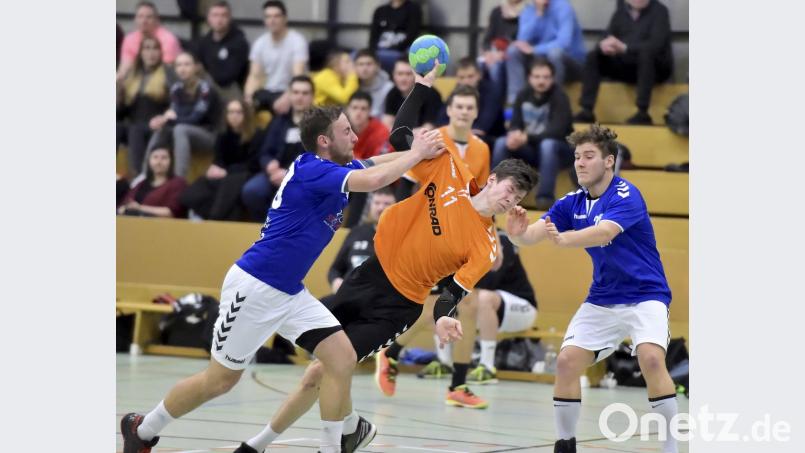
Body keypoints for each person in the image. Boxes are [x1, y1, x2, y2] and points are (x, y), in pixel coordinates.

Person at [230, 65, 539, 453]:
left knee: (321, 371)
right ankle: (349, 427)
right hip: (368, 275)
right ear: (492, 180)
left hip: (398, 306)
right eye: (509, 189)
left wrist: (443, 316)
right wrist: (422, 86)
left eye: (518, 198)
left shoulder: (487, 244)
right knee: (310, 362)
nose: (510, 200)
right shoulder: (452, 170)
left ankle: (259, 446)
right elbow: (399, 135)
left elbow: (454, 292)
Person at [120, 99, 447, 453]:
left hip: (289, 293)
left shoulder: (333, 167)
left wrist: (418, 154)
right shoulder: (313, 171)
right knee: (219, 381)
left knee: (342, 358)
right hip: (254, 287)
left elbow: (374, 163)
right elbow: (376, 178)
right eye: (346, 131)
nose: (354, 136)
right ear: (324, 141)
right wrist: (415, 155)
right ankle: (142, 428)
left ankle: (332, 446)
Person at [505, 124, 678, 453]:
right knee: (567, 361)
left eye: (588, 156)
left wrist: (566, 239)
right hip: (603, 298)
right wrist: (516, 234)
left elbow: (604, 233)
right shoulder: (572, 202)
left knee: (652, 359)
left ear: (609, 161)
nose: (580, 164)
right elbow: (533, 235)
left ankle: (671, 447)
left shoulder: (627, 194)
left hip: (646, 295)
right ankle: (565, 445)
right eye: (576, 157)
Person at [374, 84, 495, 408]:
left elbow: (480, 194)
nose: (464, 112)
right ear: (450, 110)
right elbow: (409, 167)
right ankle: (397, 355)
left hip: (460, 237)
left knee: (461, 305)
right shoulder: (434, 138)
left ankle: (449, 381)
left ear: (476, 112)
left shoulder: (481, 149)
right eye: (459, 107)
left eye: (470, 107)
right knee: (443, 305)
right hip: (427, 230)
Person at [573, 0, 673, 125]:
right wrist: (604, 46)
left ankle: (642, 112)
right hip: (628, 66)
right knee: (594, 56)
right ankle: (586, 110)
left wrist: (625, 47)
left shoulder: (660, 11)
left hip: (656, 68)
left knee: (646, 54)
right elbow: (607, 36)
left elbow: (656, 45)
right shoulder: (621, 12)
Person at [492, 58, 573, 210]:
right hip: (532, 149)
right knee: (502, 143)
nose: (541, 81)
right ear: (529, 78)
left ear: (552, 79)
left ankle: (544, 198)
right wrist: (514, 135)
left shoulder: (560, 97)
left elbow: (557, 131)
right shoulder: (523, 95)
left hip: (560, 151)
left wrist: (527, 138)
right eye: (537, 77)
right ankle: (494, 191)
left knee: (548, 145)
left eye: (546, 77)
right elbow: (515, 122)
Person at [466, 230, 538, 384]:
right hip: (490, 309)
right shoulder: (461, 242)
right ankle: (444, 362)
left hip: (522, 307)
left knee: (483, 297)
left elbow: (489, 282)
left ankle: (487, 366)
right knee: (442, 299)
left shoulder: (502, 241)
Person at [241, 75, 314, 221]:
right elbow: (265, 152)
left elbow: (316, 159)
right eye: (296, 92)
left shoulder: (318, 124)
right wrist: (269, 164)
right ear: (290, 95)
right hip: (274, 175)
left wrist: (289, 173)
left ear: (312, 97)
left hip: (302, 178)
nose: (300, 97)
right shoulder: (279, 121)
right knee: (252, 190)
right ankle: (265, 227)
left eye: (305, 93)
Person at [179, 99, 264, 220]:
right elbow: (218, 159)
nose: (234, 116)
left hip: (247, 174)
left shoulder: (257, 135)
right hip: (226, 174)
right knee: (198, 187)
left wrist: (227, 172)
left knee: (230, 184)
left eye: (238, 112)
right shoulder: (223, 135)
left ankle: (215, 218)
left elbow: (254, 164)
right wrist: (215, 168)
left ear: (246, 115)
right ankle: (205, 216)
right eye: (231, 112)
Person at [145, 52, 221, 179]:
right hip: (184, 130)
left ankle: (179, 179)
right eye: (179, 65)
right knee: (161, 129)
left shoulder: (205, 89)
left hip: (208, 134)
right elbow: (174, 115)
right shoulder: (176, 88)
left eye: (187, 64)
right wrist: (162, 120)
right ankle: (146, 175)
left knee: (180, 129)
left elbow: (194, 119)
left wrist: (171, 118)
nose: (182, 68)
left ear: (196, 67)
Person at [117, 36, 177, 177]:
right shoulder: (132, 75)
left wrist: (164, 117)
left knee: (135, 130)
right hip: (134, 123)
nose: (151, 53)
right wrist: (119, 92)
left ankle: (138, 176)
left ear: (161, 52)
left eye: (155, 48)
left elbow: (177, 102)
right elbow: (121, 112)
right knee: (117, 128)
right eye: (147, 48)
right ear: (141, 52)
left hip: (157, 125)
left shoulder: (168, 73)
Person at [505, 0, 586, 104]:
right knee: (513, 51)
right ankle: (515, 101)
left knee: (555, 53)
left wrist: (535, 49)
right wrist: (538, 15)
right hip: (540, 58)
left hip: (571, 61)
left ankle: (553, 102)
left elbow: (564, 43)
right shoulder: (528, 9)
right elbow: (522, 41)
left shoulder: (563, 7)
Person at [326, 187, 396, 298]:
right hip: (347, 296)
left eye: (386, 203)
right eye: (376, 203)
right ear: (370, 206)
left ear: (395, 207)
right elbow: (335, 269)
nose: (380, 208)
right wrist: (336, 281)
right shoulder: (356, 232)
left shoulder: (401, 237)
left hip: (379, 300)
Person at [244, 0, 308, 115]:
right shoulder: (260, 43)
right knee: (242, 110)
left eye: (276, 16)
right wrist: (248, 98)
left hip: (288, 92)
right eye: (268, 17)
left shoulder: (297, 41)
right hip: (267, 92)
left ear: (285, 18)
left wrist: (287, 97)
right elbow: (254, 76)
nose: (272, 20)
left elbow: (298, 77)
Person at [343, 91, 391, 227]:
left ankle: (351, 231)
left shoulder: (381, 132)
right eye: (354, 108)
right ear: (348, 109)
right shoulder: (340, 130)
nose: (358, 113)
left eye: (363, 109)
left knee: (363, 184)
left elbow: (378, 168)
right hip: (350, 174)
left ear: (370, 111)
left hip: (378, 180)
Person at [437, 56, 505, 147]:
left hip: (490, 137)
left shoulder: (492, 91)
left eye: (470, 76)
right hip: (460, 135)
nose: (466, 81)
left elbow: (483, 125)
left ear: (479, 75)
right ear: (456, 78)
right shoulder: (455, 92)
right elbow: (441, 120)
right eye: (461, 77)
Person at [194, 1, 251, 102]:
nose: (219, 20)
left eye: (223, 15)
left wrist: (206, 69)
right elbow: (196, 65)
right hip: (209, 88)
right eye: (215, 15)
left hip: (233, 91)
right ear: (208, 18)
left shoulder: (239, 42)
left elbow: (226, 77)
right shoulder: (204, 42)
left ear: (229, 18)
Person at [117, 1, 182, 82]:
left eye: (149, 17)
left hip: (165, 81)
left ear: (157, 20)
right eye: (140, 16)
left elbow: (166, 73)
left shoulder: (168, 39)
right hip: (138, 81)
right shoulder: (129, 39)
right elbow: (124, 69)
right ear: (135, 19)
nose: (144, 21)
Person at [118, 144, 187, 218]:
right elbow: (125, 203)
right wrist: (123, 209)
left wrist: (140, 208)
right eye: (155, 157)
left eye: (164, 158)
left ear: (171, 161)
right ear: (149, 161)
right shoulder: (142, 183)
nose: (159, 162)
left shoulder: (178, 183)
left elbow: (171, 212)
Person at [382, 57, 444, 131]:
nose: (403, 79)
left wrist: (400, 135)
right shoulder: (392, 93)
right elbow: (386, 124)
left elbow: (428, 128)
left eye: (408, 74)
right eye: (399, 74)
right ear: (393, 75)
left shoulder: (431, 94)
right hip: (401, 138)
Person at [368, 0, 423, 74]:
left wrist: (396, 48)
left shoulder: (413, 9)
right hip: (380, 48)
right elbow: (373, 35)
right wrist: (371, 51)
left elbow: (412, 34)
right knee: (359, 57)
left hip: (401, 49)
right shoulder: (380, 10)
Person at [480, 0, 525, 86]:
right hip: (496, 53)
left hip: (517, 54)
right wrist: (489, 52)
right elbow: (487, 40)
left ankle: (510, 98)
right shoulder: (497, 11)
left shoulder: (529, 11)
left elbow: (524, 41)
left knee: (498, 65)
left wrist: (504, 53)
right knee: (484, 65)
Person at [354, 49, 394, 118]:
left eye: (369, 64)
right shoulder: (351, 87)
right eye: (360, 64)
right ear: (354, 67)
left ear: (377, 66)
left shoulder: (389, 88)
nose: (364, 68)